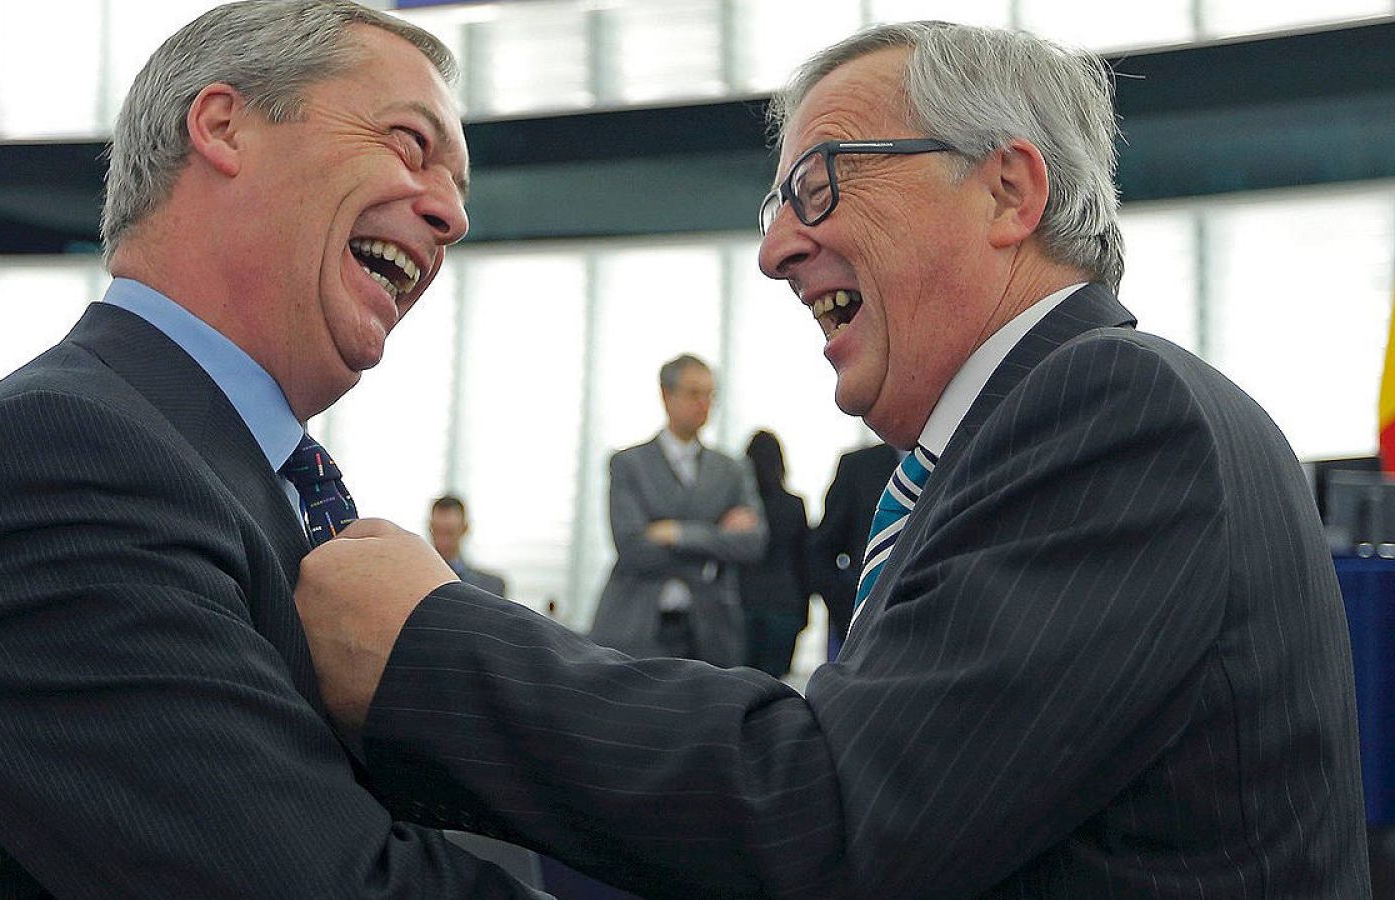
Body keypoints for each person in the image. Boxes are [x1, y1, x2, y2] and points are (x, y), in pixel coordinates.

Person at [294, 20, 1369, 900]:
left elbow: (836, 821)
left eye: (819, 183)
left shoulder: (1114, 410)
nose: (773, 250)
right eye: (777, 207)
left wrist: (427, 644)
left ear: (1007, 191)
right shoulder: (1012, 439)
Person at [0, 3, 545, 896]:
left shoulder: (191, 466)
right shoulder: (50, 466)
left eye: (459, 188)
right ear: (225, 126)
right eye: (409, 143)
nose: (452, 217)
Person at [587, 354, 766, 666]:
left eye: (710, 395)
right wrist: (714, 547)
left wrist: (677, 533)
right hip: (637, 627)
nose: (704, 404)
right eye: (694, 393)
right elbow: (631, 547)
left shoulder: (731, 470)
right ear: (666, 395)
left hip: (711, 632)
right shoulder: (629, 464)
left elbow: (753, 543)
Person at [808, 440, 898, 656]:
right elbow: (822, 549)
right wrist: (846, 606)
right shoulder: (858, 467)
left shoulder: (964, 455)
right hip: (864, 625)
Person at [737, 429, 810, 678]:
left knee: (742, 683)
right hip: (786, 603)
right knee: (775, 687)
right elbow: (804, 562)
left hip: (744, 603)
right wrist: (804, 613)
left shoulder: (740, 512)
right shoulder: (794, 505)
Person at [429, 494, 508, 596]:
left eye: (449, 532)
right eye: (438, 531)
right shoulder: (414, 582)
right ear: (430, 528)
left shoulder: (491, 586)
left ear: (465, 529)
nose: (443, 540)